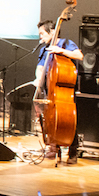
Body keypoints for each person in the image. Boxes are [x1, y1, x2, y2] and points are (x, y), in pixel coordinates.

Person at [34, 18, 83, 164]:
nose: (40, 37)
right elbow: (40, 67)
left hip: (63, 88)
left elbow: (79, 55)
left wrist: (61, 51)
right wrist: (38, 79)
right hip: (49, 88)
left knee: (67, 119)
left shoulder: (66, 43)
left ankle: (73, 151)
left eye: (42, 34)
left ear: (52, 32)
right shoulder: (44, 49)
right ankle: (54, 147)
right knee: (47, 117)